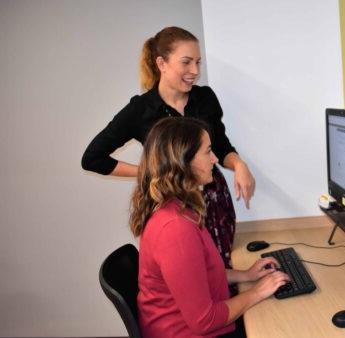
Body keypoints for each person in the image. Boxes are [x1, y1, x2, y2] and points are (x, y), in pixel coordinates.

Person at [81, 26, 253, 268]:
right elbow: (93, 158)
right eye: (186, 62)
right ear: (162, 63)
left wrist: (239, 164)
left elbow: (222, 146)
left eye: (198, 62)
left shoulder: (205, 98)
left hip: (214, 204)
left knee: (221, 273)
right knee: (190, 278)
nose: (194, 71)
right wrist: (150, 171)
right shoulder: (141, 110)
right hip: (174, 209)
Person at [130, 117, 289, 338]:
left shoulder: (180, 209)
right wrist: (257, 292)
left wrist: (246, 275)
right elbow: (204, 321)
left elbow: (199, 275)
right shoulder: (175, 229)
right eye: (208, 152)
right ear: (183, 161)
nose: (214, 159)